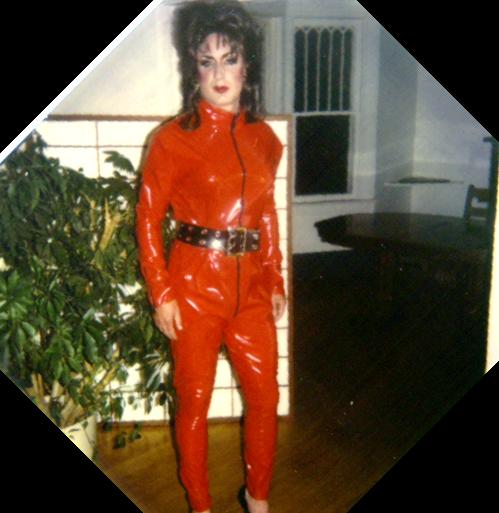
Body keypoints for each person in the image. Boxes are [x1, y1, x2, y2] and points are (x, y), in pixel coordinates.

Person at [135, 1, 286, 512]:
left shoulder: (265, 139)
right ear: (194, 68)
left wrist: (276, 278)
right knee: (196, 402)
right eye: (207, 61)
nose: (220, 74)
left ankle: (257, 499)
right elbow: (148, 217)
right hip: (194, 288)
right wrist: (161, 291)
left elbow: (265, 213)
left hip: (252, 290)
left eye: (230, 58)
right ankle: (200, 505)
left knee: (266, 397)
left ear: (248, 65)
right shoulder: (172, 140)